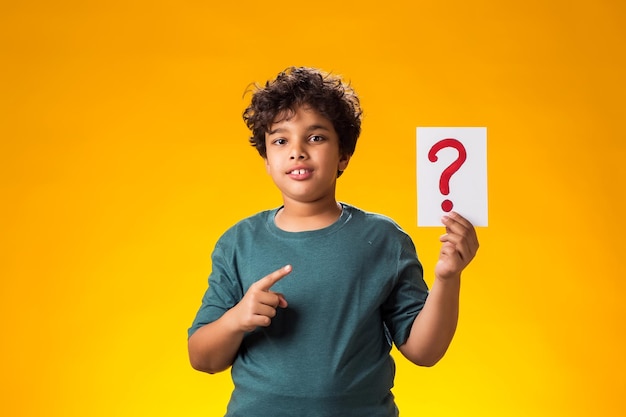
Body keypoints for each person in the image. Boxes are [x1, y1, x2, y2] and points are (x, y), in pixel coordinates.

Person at [188, 66, 479, 417]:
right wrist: (236, 319)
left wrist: (448, 277)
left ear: (344, 154)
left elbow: (424, 352)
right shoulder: (238, 242)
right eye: (280, 140)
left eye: (316, 138)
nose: (297, 151)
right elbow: (202, 358)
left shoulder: (384, 240)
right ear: (266, 159)